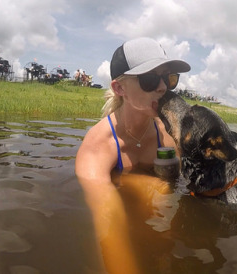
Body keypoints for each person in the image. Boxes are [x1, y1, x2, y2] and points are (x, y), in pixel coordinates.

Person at [75, 37, 190, 273]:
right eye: (149, 79)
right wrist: (142, 184)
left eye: (169, 78)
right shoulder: (99, 146)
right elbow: (109, 219)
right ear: (119, 88)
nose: (162, 88)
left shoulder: (167, 134)